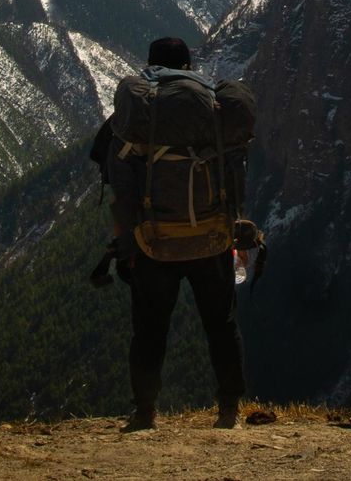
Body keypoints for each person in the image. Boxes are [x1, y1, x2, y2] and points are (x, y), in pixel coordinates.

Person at [104, 36, 256, 432]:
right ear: (189, 65)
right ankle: (228, 411)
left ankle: (144, 413)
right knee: (221, 325)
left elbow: (121, 184)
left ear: (152, 66)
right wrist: (233, 227)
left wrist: (126, 245)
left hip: (154, 241)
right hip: (212, 238)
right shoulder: (215, 109)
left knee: (150, 328)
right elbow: (236, 175)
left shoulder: (140, 113)